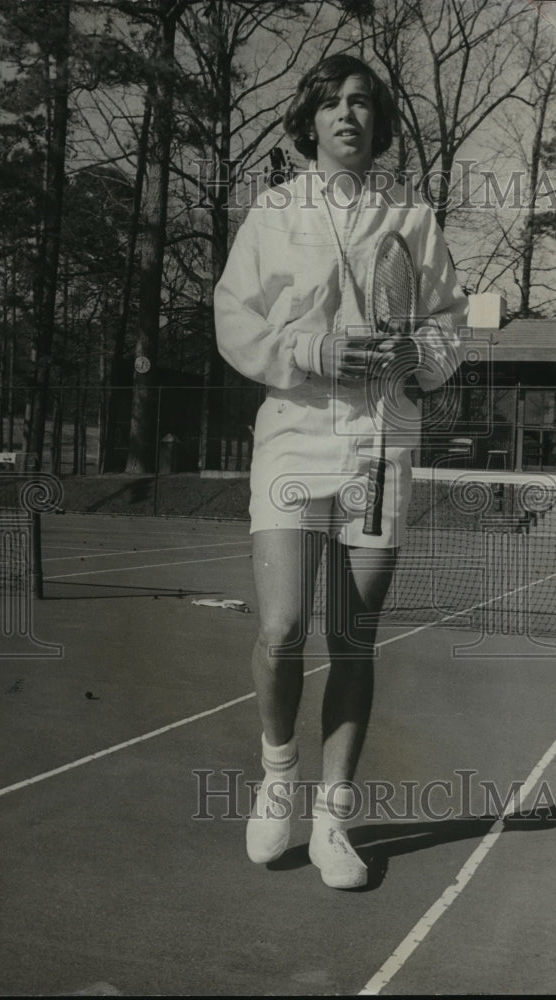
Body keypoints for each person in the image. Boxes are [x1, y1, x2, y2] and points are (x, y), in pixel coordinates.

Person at [214, 54, 468, 889]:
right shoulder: (273, 214)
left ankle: (332, 820)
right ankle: (277, 780)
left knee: (350, 636)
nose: (348, 115)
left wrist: (416, 352)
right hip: (293, 435)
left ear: (376, 121)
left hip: (379, 443)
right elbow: (232, 320)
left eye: (362, 103)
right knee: (282, 628)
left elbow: (446, 327)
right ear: (309, 121)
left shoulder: (411, 220)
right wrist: (307, 348)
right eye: (332, 104)